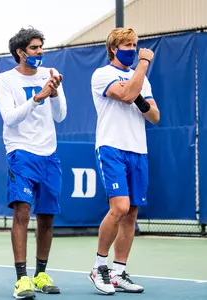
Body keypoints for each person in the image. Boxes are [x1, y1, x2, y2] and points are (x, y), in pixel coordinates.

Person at [0, 27, 66, 299]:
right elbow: (10, 118)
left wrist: (55, 92)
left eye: (40, 47)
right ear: (20, 52)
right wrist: (37, 98)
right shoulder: (4, 80)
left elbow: (60, 117)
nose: (39, 52)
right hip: (20, 152)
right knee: (22, 211)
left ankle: (41, 274)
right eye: (34, 48)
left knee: (47, 217)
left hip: (49, 154)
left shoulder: (51, 74)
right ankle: (22, 278)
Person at [89, 27, 160, 295]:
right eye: (127, 45)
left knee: (131, 213)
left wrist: (139, 93)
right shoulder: (102, 74)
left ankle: (118, 272)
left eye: (135, 44)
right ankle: (99, 267)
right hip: (111, 147)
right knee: (118, 208)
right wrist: (143, 62)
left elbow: (154, 116)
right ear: (113, 48)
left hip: (137, 150)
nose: (133, 48)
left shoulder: (141, 80)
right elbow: (127, 95)